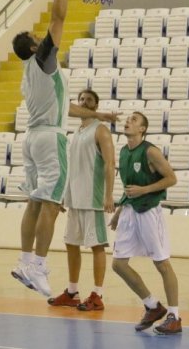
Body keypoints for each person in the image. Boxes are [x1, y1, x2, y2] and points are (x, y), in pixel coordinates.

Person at [10, 0, 118, 298]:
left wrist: (98, 116)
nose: (41, 36)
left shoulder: (28, 74)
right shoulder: (43, 59)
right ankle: (39, 266)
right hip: (50, 139)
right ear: (33, 46)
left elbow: (61, 108)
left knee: (34, 201)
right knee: (52, 205)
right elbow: (59, 16)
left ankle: (25, 260)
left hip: (32, 138)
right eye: (35, 36)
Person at [110, 111, 182, 335]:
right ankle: (152, 305)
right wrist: (119, 210)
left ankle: (174, 316)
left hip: (149, 211)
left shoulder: (150, 151)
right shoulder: (123, 152)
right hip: (130, 211)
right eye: (128, 119)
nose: (128, 122)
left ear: (142, 129)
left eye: (134, 120)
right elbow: (129, 186)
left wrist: (145, 190)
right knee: (118, 264)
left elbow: (171, 178)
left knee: (161, 263)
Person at [47, 89, 115, 311]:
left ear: (96, 106)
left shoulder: (101, 130)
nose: (84, 102)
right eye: (82, 99)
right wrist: (63, 195)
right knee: (71, 243)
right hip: (75, 197)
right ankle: (72, 291)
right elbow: (71, 167)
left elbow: (109, 164)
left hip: (93, 198)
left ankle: (97, 294)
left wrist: (108, 194)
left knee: (97, 246)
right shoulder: (77, 131)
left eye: (89, 100)